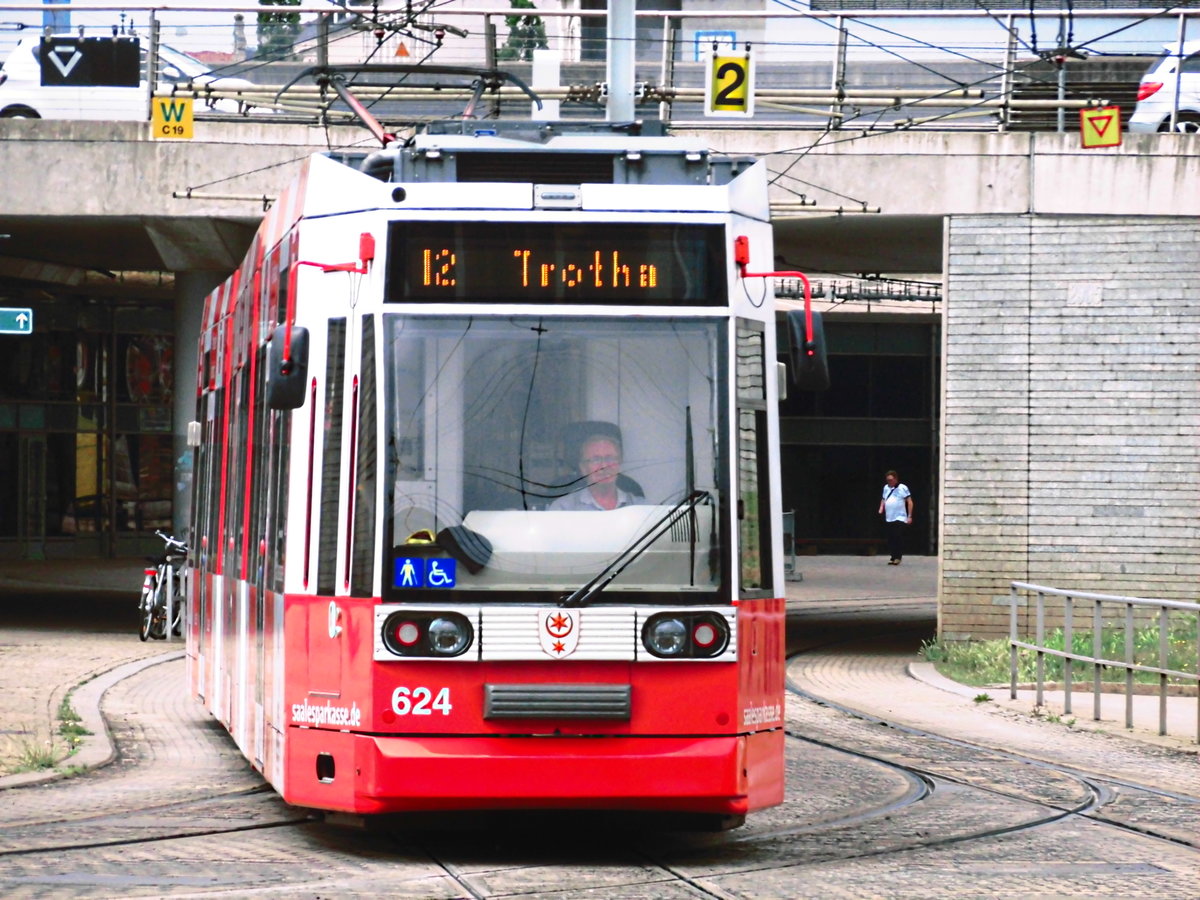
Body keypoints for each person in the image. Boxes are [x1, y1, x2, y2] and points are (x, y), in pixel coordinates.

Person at [549, 427, 644, 511]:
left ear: (619, 464)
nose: (604, 466)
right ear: (583, 468)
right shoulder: (563, 508)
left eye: (610, 458)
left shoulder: (640, 507)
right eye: (596, 459)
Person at [878, 469, 913, 565]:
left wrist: (909, 516)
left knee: (898, 536)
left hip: (900, 517)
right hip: (889, 517)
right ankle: (893, 556)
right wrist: (881, 508)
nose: (889, 482)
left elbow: (909, 501)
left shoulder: (902, 488)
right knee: (891, 537)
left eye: (891, 480)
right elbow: (884, 499)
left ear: (896, 479)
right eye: (888, 480)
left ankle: (898, 557)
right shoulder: (886, 488)